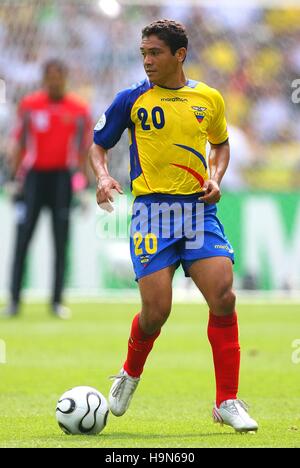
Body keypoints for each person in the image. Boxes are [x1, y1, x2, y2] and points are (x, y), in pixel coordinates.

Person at [89, 20, 258, 432]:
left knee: (224, 296)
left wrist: (216, 176)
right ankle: (129, 373)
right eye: (143, 53)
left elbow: (220, 143)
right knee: (156, 311)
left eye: (155, 53)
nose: (147, 61)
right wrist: (103, 176)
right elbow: (99, 144)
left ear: (179, 55)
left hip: (198, 211)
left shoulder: (208, 98)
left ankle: (227, 401)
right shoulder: (132, 100)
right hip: (151, 214)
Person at [2, 59, 91, 319]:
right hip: (33, 179)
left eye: (58, 76)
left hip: (62, 180)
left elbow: (83, 150)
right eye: (50, 77)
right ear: (44, 79)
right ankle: (14, 301)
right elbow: (19, 144)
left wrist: (83, 186)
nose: (54, 81)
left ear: (65, 78)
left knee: (60, 241)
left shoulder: (78, 109)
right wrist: (15, 179)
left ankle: (56, 301)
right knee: (22, 239)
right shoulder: (30, 105)